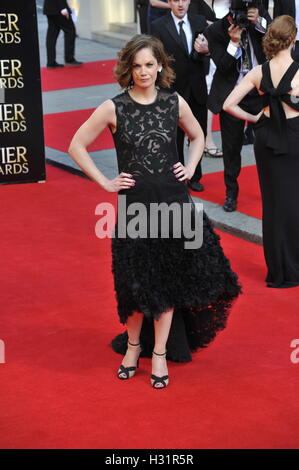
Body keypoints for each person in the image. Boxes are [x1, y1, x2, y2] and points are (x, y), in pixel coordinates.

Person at [68, 35, 241, 389]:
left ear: (160, 65)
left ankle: (159, 353)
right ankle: (133, 347)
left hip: (173, 204)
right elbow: (76, 145)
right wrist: (105, 182)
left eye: (150, 64)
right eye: (137, 66)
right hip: (134, 208)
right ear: (128, 69)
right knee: (134, 285)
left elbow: (196, 135)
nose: (144, 72)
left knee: (167, 283)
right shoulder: (113, 107)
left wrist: (191, 167)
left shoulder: (173, 102)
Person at [223, 15, 299, 288]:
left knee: (273, 204)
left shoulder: (258, 72)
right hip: (294, 138)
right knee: (294, 202)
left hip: (265, 137)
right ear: (293, 39)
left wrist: (255, 118)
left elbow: (229, 104)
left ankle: (277, 271)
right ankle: (295, 266)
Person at [206, 1, 271, 211]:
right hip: (231, 95)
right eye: (237, 15)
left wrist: (259, 22)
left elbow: (276, 46)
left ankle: (272, 191)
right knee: (231, 148)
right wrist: (233, 42)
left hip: (259, 92)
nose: (241, 19)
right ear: (229, 15)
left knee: (267, 144)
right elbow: (223, 67)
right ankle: (231, 194)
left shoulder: (259, 23)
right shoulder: (215, 30)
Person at [151, 0, 210, 192]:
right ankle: (178, 177)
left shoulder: (200, 21)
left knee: (199, 133)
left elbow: (209, 49)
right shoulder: (158, 26)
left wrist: (206, 50)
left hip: (197, 88)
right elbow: (155, 57)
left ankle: (195, 175)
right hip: (172, 90)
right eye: (176, 0)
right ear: (169, 2)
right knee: (174, 138)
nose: (180, 4)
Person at [43, 0, 82, 69]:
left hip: (49, 9)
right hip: (59, 9)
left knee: (52, 35)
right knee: (70, 31)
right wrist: (64, 10)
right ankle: (69, 59)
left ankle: (51, 62)